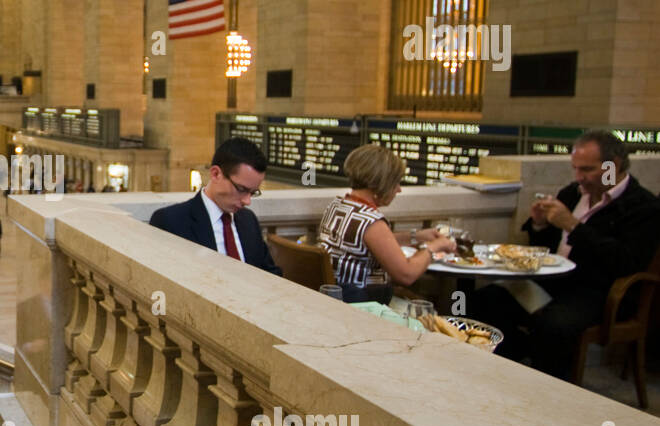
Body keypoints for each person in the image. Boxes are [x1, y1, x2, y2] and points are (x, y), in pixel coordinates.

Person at [469, 129, 660, 382]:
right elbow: (547, 248)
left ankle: (548, 389)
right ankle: (511, 367)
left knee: (554, 326)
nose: (579, 178)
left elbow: (624, 261)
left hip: (595, 291)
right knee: (480, 301)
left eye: (587, 170)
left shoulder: (642, 206)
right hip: (552, 282)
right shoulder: (572, 193)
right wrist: (539, 225)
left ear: (612, 166)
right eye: (576, 169)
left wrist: (573, 226)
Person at [318, 145, 456, 303]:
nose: (399, 190)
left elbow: (373, 242)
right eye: (395, 183)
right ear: (381, 183)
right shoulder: (372, 222)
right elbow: (406, 275)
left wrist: (416, 236)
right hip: (363, 305)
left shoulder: (339, 205)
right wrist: (434, 247)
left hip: (337, 297)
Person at [149, 138, 284, 276]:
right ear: (216, 174)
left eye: (253, 192)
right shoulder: (170, 221)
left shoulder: (249, 220)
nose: (247, 201)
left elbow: (271, 275)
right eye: (241, 189)